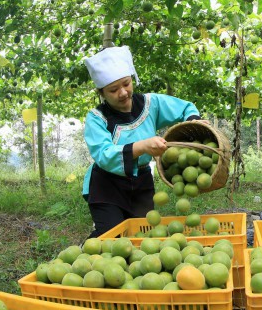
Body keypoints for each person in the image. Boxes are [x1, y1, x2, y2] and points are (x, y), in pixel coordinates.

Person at [82, 45, 203, 238]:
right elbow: (103, 154)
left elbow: (185, 108)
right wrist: (143, 146)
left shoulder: (150, 103)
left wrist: (194, 121)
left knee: (142, 234)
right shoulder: (97, 118)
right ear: (101, 92)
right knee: (111, 236)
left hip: (142, 182)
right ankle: (86, 254)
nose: (122, 93)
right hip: (107, 185)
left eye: (126, 84)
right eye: (113, 90)